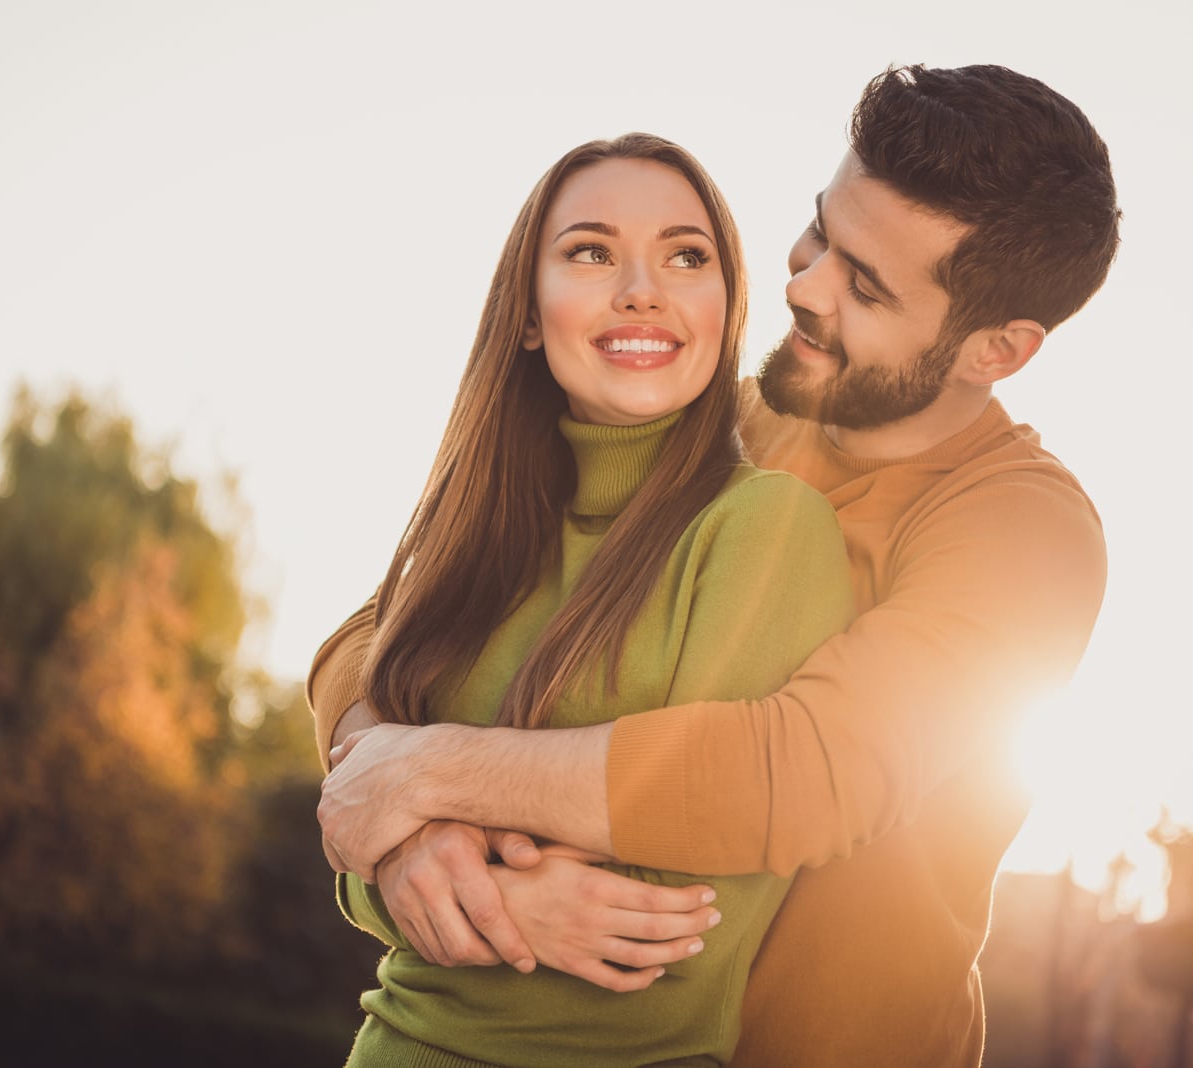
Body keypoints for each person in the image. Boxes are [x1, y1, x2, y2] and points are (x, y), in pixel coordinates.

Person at [316, 63, 1119, 1067]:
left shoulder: (1025, 534)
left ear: (995, 352)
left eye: (863, 285)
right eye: (821, 231)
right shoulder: (718, 422)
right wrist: (404, 838)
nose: (802, 286)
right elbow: (387, 627)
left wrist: (429, 770)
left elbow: (799, 770)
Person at [331, 131, 855, 1066]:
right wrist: (402, 862)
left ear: (726, 307)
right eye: (590, 251)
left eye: (686, 256)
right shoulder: (475, 538)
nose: (641, 288)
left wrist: (426, 827)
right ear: (529, 314)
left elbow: (675, 922)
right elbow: (355, 819)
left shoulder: (768, 528)